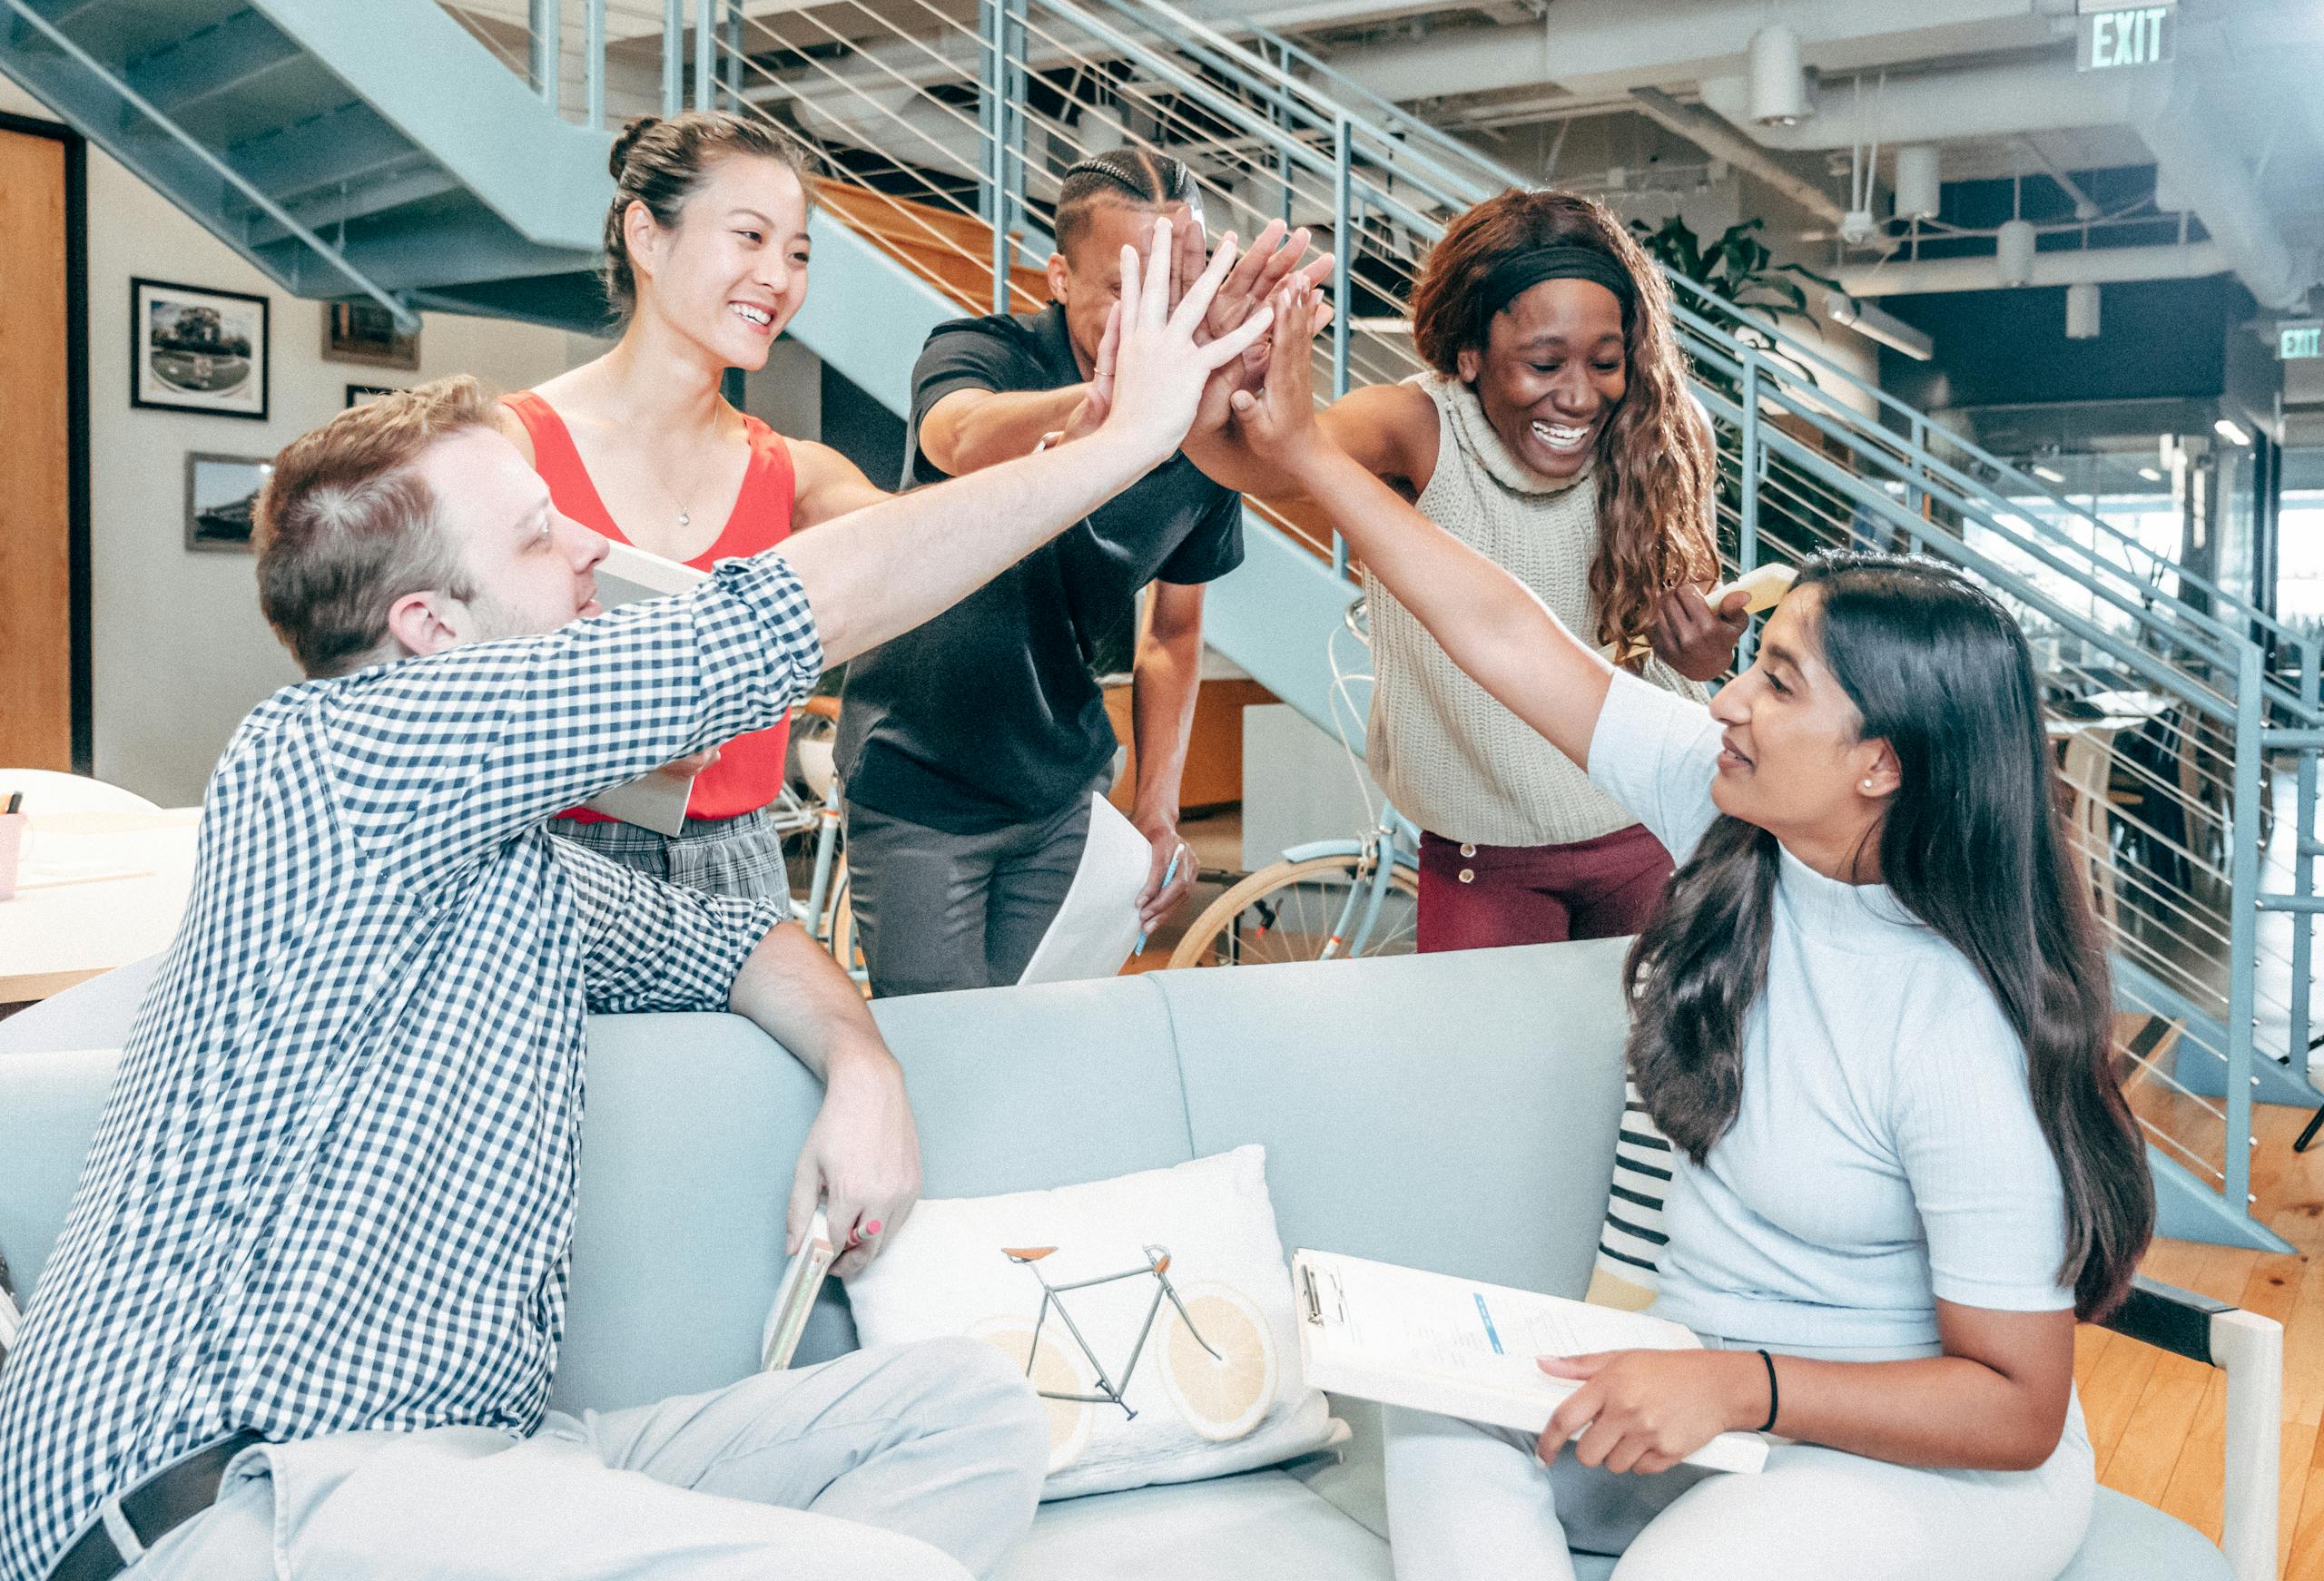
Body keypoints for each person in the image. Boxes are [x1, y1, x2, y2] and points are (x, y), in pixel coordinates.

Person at [0, 224, 1273, 1581]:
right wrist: (1124, 441)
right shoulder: (330, 751)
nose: (593, 562)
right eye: (545, 538)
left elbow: (737, 933)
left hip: (482, 1466)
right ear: (432, 633)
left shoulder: (512, 863)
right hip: (239, 1493)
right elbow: (761, 631)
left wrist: (863, 1063)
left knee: (968, 1418)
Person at [1227, 278, 2155, 1580]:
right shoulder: (1736, 818)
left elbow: (2016, 1405)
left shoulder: (1959, 1023)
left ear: (1881, 764)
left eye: (1774, 680)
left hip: (1912, 1457)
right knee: (1435, 1419)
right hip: (1712, 1393)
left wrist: (1742, 1388)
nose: (1725, 699)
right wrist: (1304, 452)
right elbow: (1501, 627)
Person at [1186, 190, 1746, 954]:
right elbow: (1259, 462)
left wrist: (1708, 656)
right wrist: (1208, 378)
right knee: (1482, 1071)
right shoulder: (1416, 426)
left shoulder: (1663, 434)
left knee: (1647, 1070)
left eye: (1606, 362)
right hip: (1487, 852)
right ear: (1470, 353)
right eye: (1543, 362)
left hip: (1653, 827)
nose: (1580, 395)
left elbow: (1691, 652)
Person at [833, 149, 1322, 995]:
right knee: (945, 1056)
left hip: (1062, 793)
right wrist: (1105, 415)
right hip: (920, 781)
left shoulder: (1204, 432)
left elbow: (1173, 634)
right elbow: (957, 435)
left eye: (1180, 287)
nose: (1159, 319)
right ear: (1058, 276)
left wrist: (1159, 809)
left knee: (1042, 1049)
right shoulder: (985, 350)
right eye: (1125, 292)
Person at [500, 112, 892, 901]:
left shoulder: (795, 474)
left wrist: (1091, 453)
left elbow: (937, 545)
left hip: (740, 867)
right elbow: (435, 675)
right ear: (646, 236)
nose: (779, 277)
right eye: (750, 237)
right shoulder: (513, 450)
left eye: (798, 253)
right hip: (551, 857)